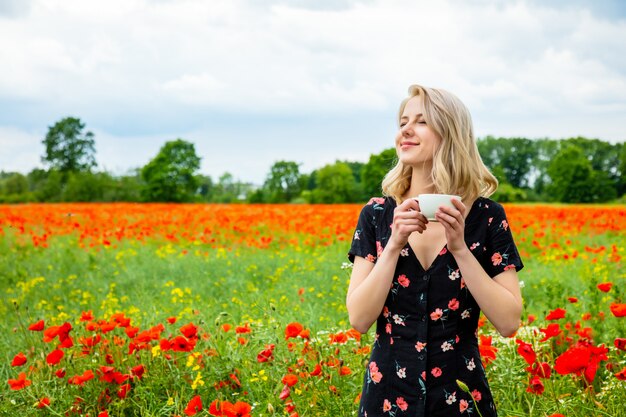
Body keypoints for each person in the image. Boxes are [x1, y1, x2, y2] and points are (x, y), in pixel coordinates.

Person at [346, 84, 523, 417]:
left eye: (421, 121)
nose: (406, 131)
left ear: (450, 133)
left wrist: (460, 249)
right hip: (387, 397)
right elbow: (359, 318)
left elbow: (509, 322)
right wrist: (394, 245)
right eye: (402, 122)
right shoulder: (377, 215)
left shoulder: (486, 217)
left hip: (460, 398)